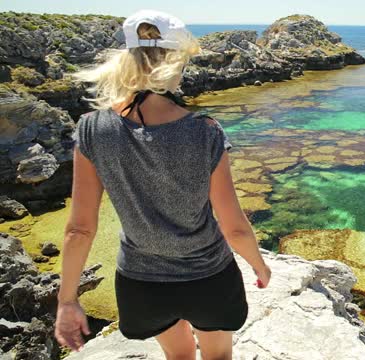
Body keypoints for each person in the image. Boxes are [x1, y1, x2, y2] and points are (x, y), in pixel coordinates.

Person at [54, 9, 271, 360]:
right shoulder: (205, 131)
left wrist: (67, 300)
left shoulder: (91, 129)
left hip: (141, 286)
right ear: (175, 63)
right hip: (209, 279)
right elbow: (234, 229)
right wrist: (259, 266)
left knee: (178, 356)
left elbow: (79, 229)